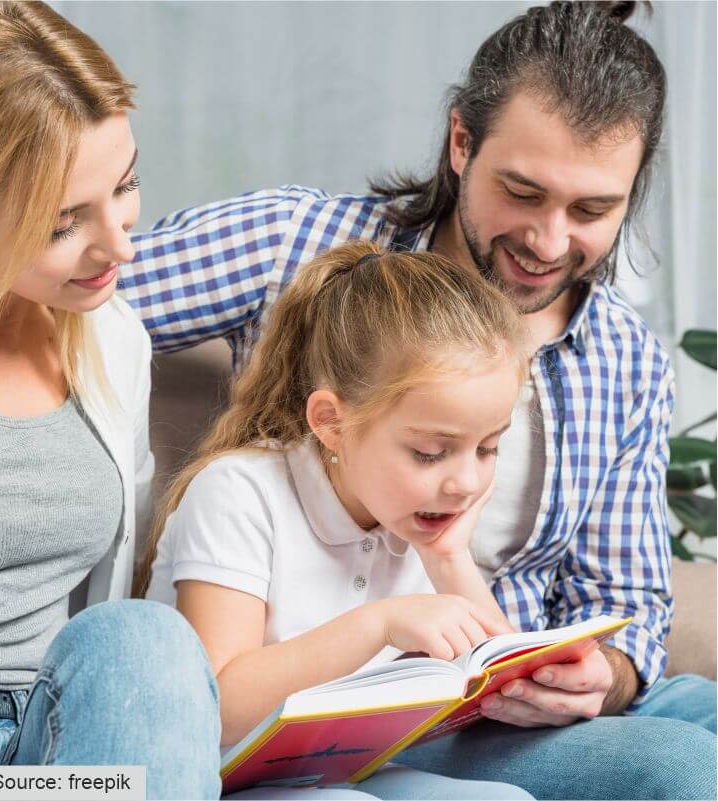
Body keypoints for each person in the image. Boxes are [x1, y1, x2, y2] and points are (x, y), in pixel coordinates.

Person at [124, 2, 716, 799]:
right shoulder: (292, 245)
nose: (547, 242)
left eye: (589, 210)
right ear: (460, 142)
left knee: (696, 716)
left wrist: (602, 675)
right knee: (685, 768)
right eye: (521, 191)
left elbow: (625, 600)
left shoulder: (625, 358)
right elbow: (53, 293)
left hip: (484, 690)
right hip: (353, 703)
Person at [0, 3, 219, 797]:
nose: (121, 243)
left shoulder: (111, 339)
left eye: (125, 185)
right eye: (62, 224)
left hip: (67, 736)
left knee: (143, 636)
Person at [143, 241, 535, 800]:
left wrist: (449, 560)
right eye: (430, 452)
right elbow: (216, 708)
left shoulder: (420, 518)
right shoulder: (240, 492)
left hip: (335, 769)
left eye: (488, 448)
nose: (465, 482)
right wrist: (376, 624)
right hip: (213, 773)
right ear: (331, 424)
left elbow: (495, 687)